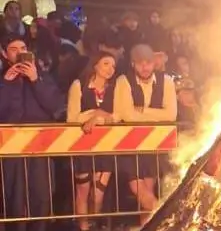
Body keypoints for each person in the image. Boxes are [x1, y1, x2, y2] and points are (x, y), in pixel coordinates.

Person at [0, 37, 65, 231]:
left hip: (39, 147)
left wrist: (36, 80)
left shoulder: (43, 76)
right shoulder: (2, 80)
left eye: (24, 48)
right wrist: (6, 84)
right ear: (4, 54)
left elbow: (55, 106)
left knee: (41, 196)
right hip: (11, 150)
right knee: (14, 198)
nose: (20, 52)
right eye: (14, 49)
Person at [113, 44, 177, 223]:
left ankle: (150, 226)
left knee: (147, 194)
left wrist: (142, 111)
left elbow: (171, 115)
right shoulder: (123, 81)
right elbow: (127, 115)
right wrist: (155, 114)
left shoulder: (167, 81)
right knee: (140, 191)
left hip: (154, 145)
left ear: (154, 63)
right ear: (133, 64)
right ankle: (170, 220)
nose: (145, 67)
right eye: (140, 63)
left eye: (148, 62)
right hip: (130, 145)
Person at [67, 52, 119, 231]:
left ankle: (93, 224)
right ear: (95, 65)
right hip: (83, 144)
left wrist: (99, 118)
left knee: (98, 195)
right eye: (106, 64)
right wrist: (93, 114)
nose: (110, 69)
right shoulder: (79, 85)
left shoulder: (115, 89)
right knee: (82, 192)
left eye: (113, 66)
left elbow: (116, 117)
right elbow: (72, 119)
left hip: (105, 146)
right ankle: (83, 227)